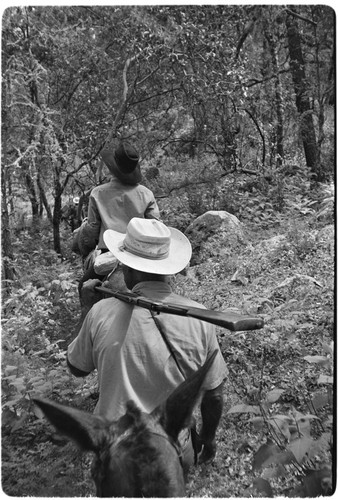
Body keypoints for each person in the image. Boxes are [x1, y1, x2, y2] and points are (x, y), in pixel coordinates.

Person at [67, 218, 228, 468]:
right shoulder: (199, 316)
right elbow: (214, 396)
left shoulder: (100, 312)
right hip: (173, 450)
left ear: (127, 268)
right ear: (169, 268)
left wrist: (86, 307)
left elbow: (77, 368)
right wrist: (208, 439)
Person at [77, 141, 160, 288]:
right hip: (140, 254)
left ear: (112, 168)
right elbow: (156, 226)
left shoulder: (98, 193)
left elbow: (92, 229)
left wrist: (86, 246)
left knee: (83, 286)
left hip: (109, 253)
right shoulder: (146, 194)